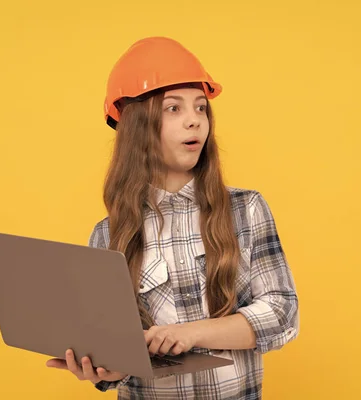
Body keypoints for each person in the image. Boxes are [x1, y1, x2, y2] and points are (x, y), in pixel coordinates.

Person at [46, 36, 299, 399]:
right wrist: (107, 368)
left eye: (200, 108)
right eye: (174, 109)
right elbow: (114, 352)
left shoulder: (246, 210)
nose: (195, 121)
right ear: (138, 126)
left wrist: (191, 332)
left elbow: (282, 312)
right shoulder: (107, 236)